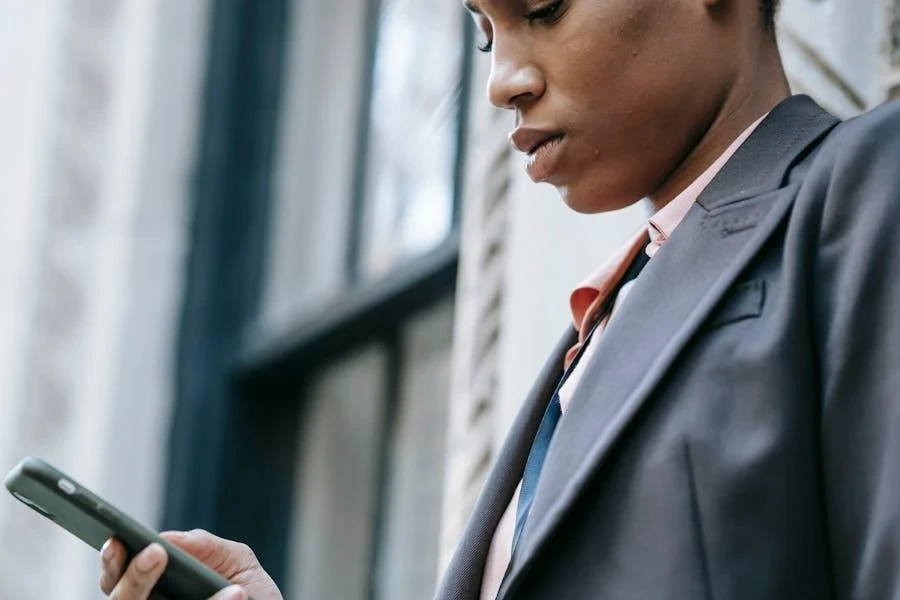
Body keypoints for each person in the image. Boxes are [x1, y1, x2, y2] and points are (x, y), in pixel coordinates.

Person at [100, 0, 900, 598]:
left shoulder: (868, 190)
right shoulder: (603, 323)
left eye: (543, 11)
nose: (499, 84)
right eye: (486, 31)